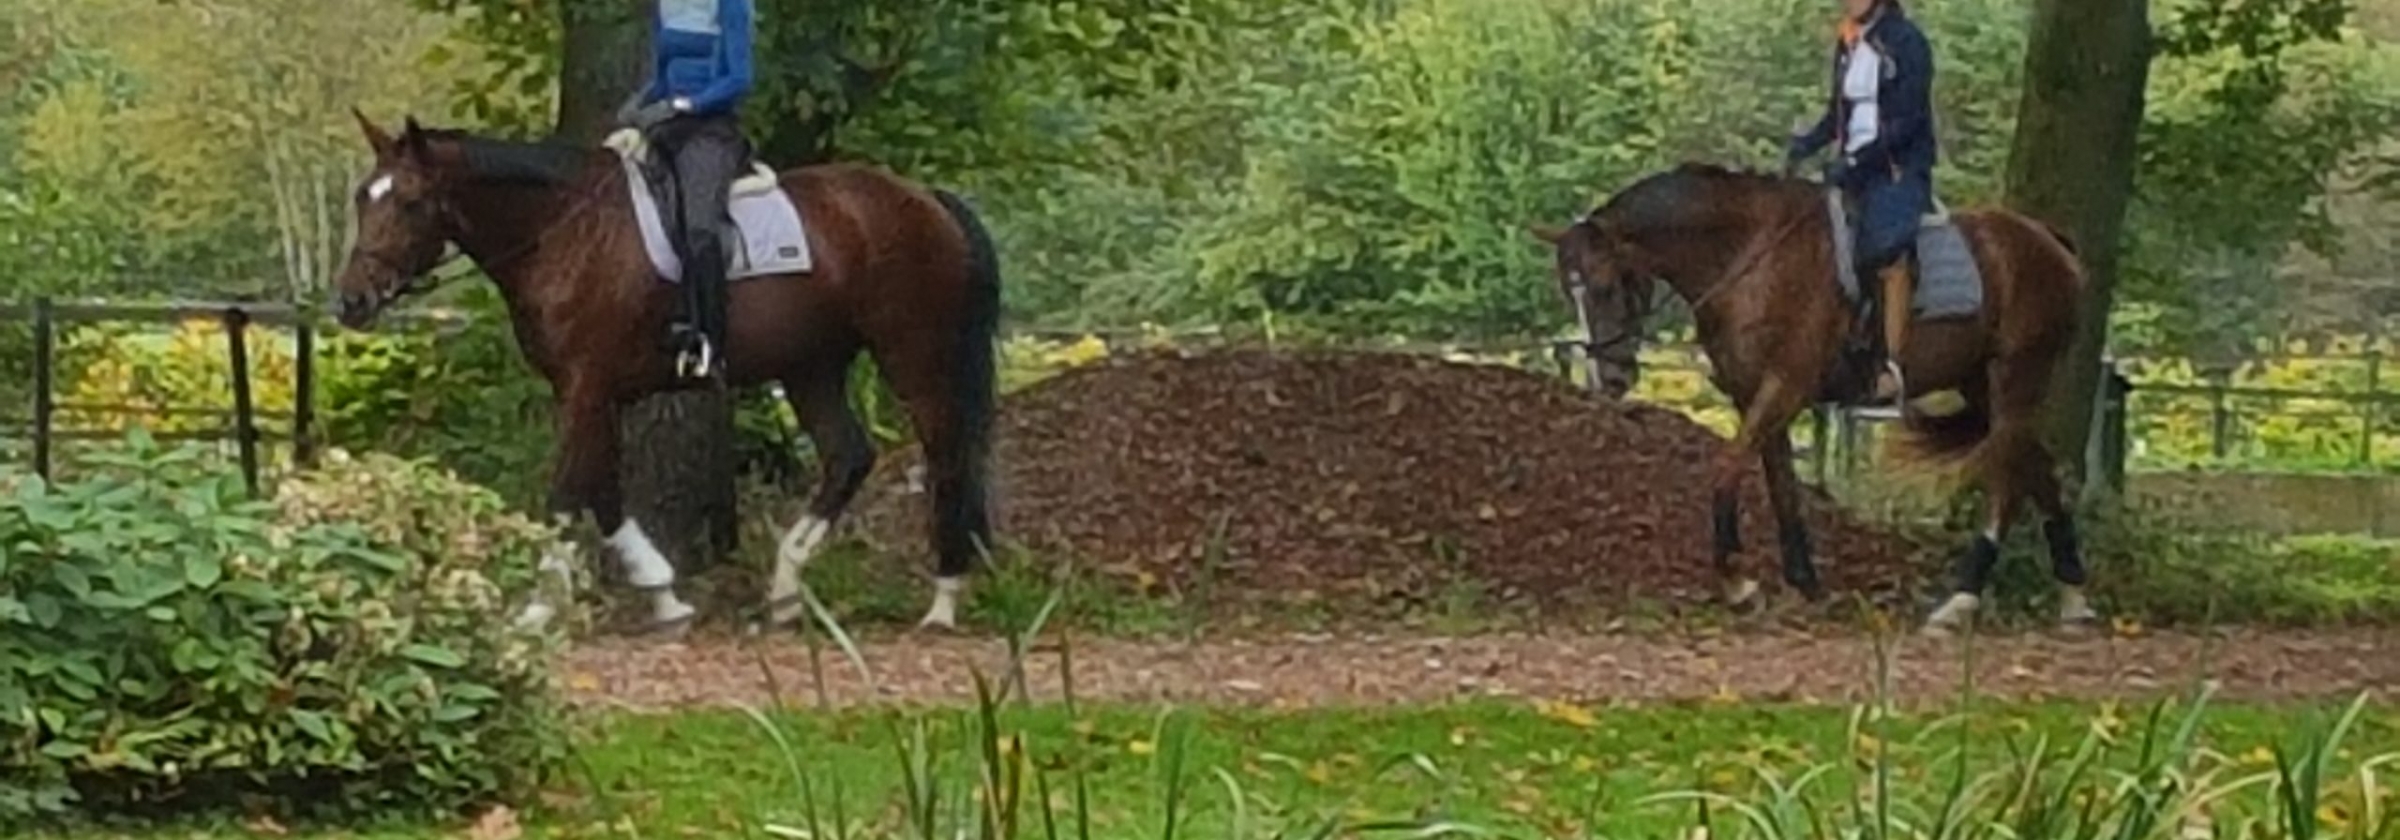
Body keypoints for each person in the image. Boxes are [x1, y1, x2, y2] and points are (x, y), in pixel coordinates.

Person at [1784, 0, 1936, 405]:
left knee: (1887, 252)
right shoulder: (1848, 42)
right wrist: (1807, 144)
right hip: (1851, 169)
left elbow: (1908, 122)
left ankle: (1892, 365)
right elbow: (1838, 114)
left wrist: (1857, 161)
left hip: (1896, 171)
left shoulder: (1908, 43)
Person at [618, 0, 756, 382]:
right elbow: (664, 78)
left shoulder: (730, 5)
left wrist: (689, 104)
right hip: (666, 132)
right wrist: (639, 104)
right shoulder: (667, 6)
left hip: (709, 132)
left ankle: (711, 339)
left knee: (699, 227)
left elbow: (740, 77)